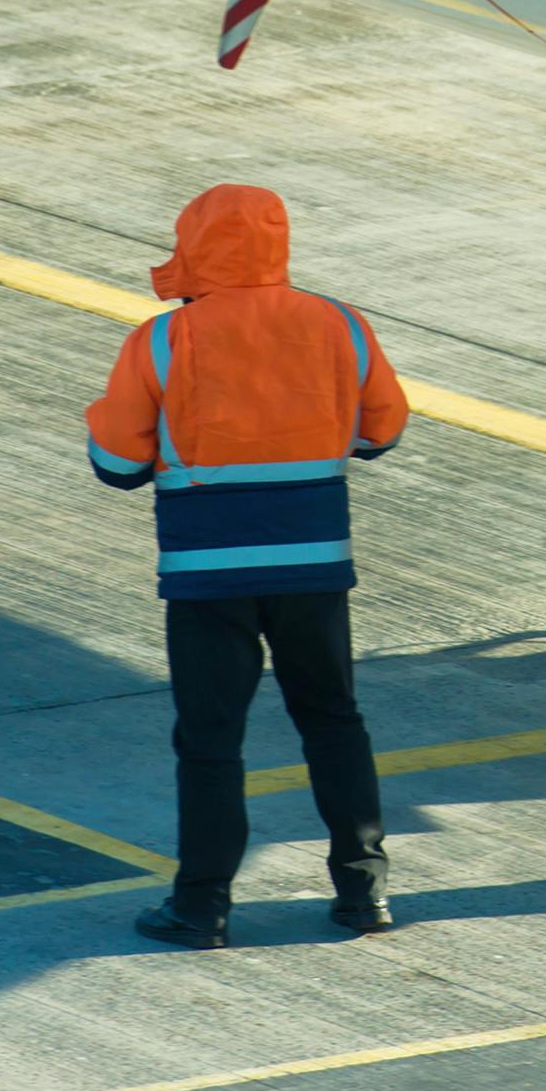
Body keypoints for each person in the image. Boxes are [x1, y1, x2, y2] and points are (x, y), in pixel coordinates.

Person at [88, 184, 410, 948]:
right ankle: (364, 890)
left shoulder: (164, 339)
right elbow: (383, 427)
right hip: (314, 566)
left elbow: (116, 460)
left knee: (210, 739)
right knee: (333, 720)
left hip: (209, 573)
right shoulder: (339, 323)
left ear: (195, 246)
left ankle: (202, 905)